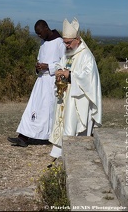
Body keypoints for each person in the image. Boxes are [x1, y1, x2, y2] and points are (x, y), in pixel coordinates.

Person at [49, 17, 102, 159]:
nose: (66, 46)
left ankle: (74, 154)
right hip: (66, 94)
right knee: (62, 122)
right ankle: (59, 153)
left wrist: (70, 75)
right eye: (64, 42)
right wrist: (59, 71)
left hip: (78, 99)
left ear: (77, 40)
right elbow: (60, 64)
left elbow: (89, 78)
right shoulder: (68, 53)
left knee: (72, 124)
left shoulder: (86, 56)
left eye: (68, 43)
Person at [7, 20, 66, 147]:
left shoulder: (60, 42)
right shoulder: (43, 43)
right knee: (32, 108)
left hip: (52, 81)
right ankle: (23, 137)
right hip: (40, 80)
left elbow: (64, 64)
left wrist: (48, 66)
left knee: (46, 111)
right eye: (37, 34)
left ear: (46, 28)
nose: (39, 36)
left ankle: (48, 136)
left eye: (40, 33)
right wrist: (38, 67)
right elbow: (40, 59)